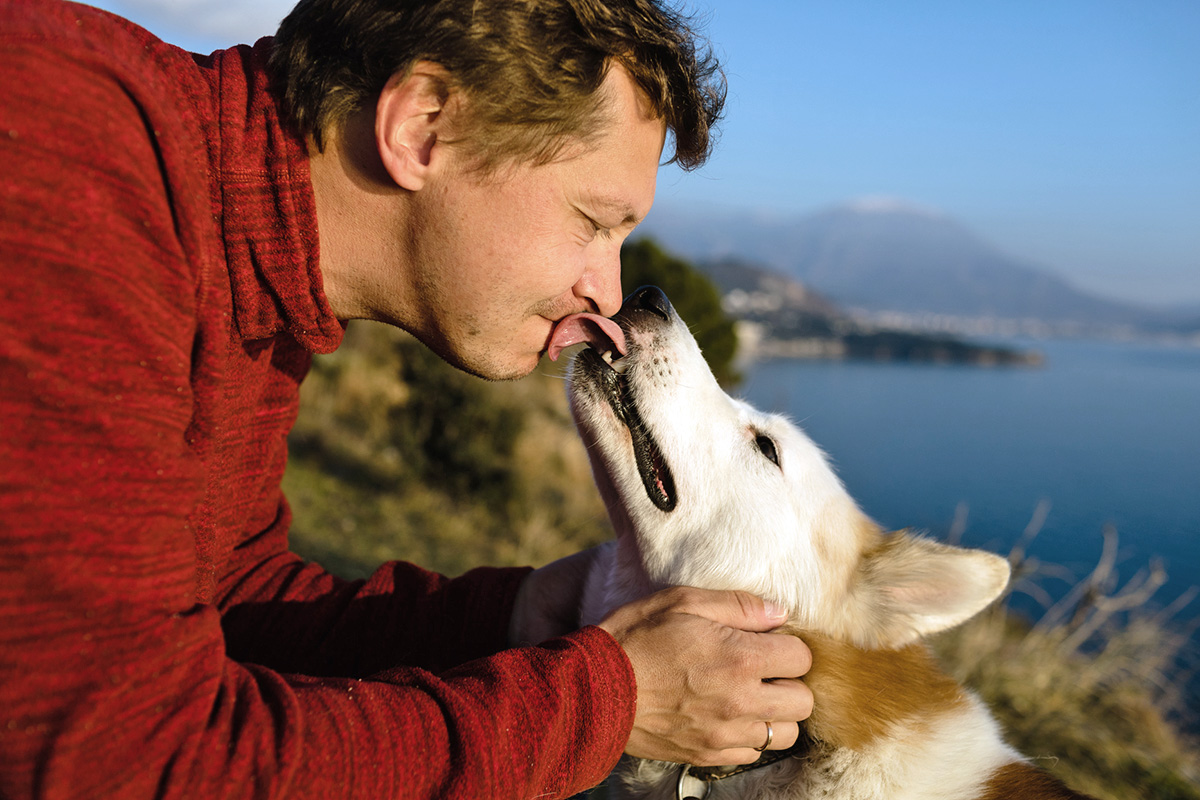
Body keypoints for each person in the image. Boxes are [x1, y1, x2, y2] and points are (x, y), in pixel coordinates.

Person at [0, 0, 814, 797]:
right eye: (592, 221)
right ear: (421, 128)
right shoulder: (71, 159)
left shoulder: (250, 269)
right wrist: (607, 702)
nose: (604, 293)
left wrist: (518, 617)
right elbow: (119, 765)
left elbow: (231, 603)